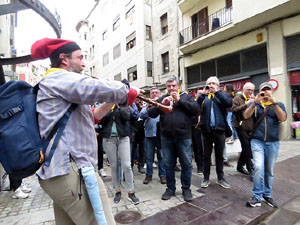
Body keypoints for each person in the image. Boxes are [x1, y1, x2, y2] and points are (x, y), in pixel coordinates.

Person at [31, 38, 140, 225]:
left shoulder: (55, 84)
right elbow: (93, 87)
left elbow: (91, 117)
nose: (84, 63)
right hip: (72, 170)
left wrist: (113, 100)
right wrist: (124, 90)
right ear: (64, 59)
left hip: (60, 175)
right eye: (80, 57)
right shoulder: (59, 78)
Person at [148, 76, 200, 202]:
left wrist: (180, 100)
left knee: (186, 164)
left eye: (174, 86)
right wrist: (162, 104)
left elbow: (196, 110)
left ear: (178, 86)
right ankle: (170, 188)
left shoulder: (186, 97)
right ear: (166, 87)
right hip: (166, 138)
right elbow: (151, 113)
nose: (171, 88)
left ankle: (186, 189)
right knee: (168, 164)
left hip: (184, 137)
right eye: (169, 86)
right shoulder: (162, 98)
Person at [244, 82, 286, 208]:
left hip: (273, 142)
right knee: (258, 166)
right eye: (264, 90)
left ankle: (267, 195)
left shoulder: (279, 104)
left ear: (272, 92)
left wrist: (274, 103)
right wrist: (255, 103)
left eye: (268, 90)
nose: (266, 93)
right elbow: (246, 115)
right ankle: (257, 196)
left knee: (269, 170)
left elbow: (283, 118)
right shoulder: (256, 104)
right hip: (257, 141)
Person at [197, 76, 232, 189]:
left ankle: (220, 178)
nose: (211, 85)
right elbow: (196, 107)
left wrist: (217, 92)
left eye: (213, 83)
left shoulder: (221, 95)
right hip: (206, 130)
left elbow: (229, 103)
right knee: (206, 155)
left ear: (217, 85)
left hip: (219, 130)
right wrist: (203, 94)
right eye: (209, 83)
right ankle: (206, 178)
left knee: (219, 155)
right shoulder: (204, 97)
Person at [100, 104, 140, 205]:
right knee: (114, 166)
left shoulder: (123, 104)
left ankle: (131, 191)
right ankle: (117, 190)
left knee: (127, 165)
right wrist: (108, 107)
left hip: (123, 137)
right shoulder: (104, 104)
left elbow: (126, 117)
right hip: (108, 139)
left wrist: (118, 106)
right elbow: (101, 120)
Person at [140, 87, 166, 184]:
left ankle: (162, 175)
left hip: (161, 134)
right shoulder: (147, 105)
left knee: (161, 156)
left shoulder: (163, 104)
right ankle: (148, 175)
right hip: (149, 135)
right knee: (149, 157)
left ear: (160, 94)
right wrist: (148, 107)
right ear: (150, 95)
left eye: (156, 93)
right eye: (152, 93)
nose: (154, 94)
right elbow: (141, 116)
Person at [232, 82, 255, 176]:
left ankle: (239, 166)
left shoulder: (253, 99)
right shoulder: (237, 98)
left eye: (252, 90)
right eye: (248, 89)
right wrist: (246, 104)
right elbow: (233, 110)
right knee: (246, 147)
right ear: (244, 90)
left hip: (251, 127)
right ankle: (251, 168)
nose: (250, 91)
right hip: (240, 127)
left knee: (247, 147)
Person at [130, 99, 146, 174]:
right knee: (132, 151)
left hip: (142, 131)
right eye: (136, 98)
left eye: (140, 99)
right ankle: (131, 167)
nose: (138, 100)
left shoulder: (144, 107)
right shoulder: (131, 105)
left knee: (142, 150)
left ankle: (141, 165)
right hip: (133, 131)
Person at [191, 89, 204, 174]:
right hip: (194, 128)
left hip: (205, 128)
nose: (200, 95)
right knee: (197, 147)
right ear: (195, 94)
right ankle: (199, 165)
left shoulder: (207, 102)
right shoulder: (192, 104)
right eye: (199, 93)